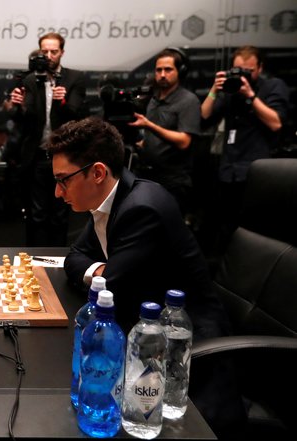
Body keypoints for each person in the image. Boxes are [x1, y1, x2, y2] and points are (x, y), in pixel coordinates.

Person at [47, 116, 246, 437]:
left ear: (97, 172)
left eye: (63, 180)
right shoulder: (110, 200)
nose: (58, 192)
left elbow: (110, 290)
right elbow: (76, 258)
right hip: (140, 330)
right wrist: (100, 272)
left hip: (184, 356)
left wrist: (103, 277)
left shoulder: (142, 209)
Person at [201, 45, 290, 252]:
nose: (243, 76)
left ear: (260, 68)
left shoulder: (273, 86)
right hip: (228, 171)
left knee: (256, 230)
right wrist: (215, 90)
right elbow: (204, 115)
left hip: (258, 172)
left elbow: (275, 122)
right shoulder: (231, 91)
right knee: (228, 229)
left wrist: (250, 96)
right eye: (238, 70)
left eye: (248, 71)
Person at [8, 33, 87, 246]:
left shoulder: (75, 78)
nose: (49, 56)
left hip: (65, 155)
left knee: (60, 213)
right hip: (37, 155)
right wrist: (18, 105)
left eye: (54, 51)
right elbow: (23, 121)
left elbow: (79, 115)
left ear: (62, 52)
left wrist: (64, 101)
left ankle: (60, 262)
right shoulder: (30, 79)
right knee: (36, 213)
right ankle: (33, 262)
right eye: (45, 51)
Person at [128, 48, 201, 215]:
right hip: (147, 176)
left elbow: (184, 141)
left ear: (180, 71)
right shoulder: (153, 100)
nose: (162, 74)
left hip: (173, 182)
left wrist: (150, 126)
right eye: (158, 70)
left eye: (168, 69)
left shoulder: (188, 101)